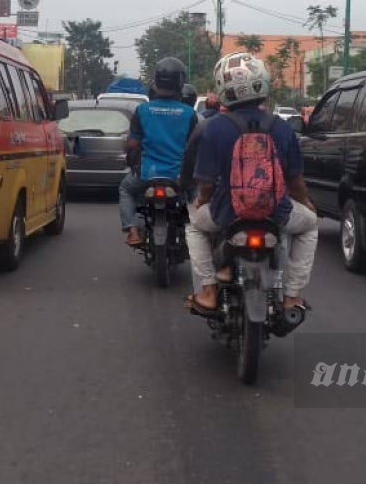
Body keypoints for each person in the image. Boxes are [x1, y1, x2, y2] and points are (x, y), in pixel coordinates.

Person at [187, 52, 318, 315]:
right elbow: (294, 181)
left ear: (223, 89)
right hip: (277, 213)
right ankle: (292, 295)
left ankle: (209, 288)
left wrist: (202, 201)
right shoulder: (281, 128)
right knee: (311, 226)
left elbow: (207, 183)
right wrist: (307, 204)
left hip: (226, 212)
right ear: (263, 84)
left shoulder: (214, 128)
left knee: (194, 227)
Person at [119, 58, 198, 247]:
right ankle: (196, 232)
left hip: (148, 175)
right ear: (180, 81)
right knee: (196, 194)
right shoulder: (189, 113)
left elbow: (132, 145)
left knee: (126, 189)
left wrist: (130, 156)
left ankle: (132, 230)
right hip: (179, 177)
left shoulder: (142, 110)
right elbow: (194, 148)